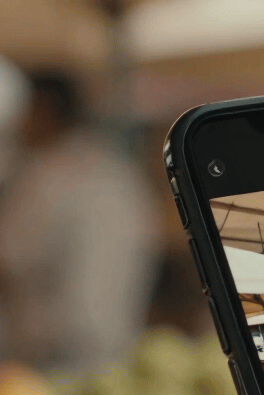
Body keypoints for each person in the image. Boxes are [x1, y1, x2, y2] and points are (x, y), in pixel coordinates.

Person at [0, 70, 159, 372]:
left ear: (43, 110)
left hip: (53, 352)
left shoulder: (45, 175)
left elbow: (9, 257)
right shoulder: (118, 172)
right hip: (116, 342)